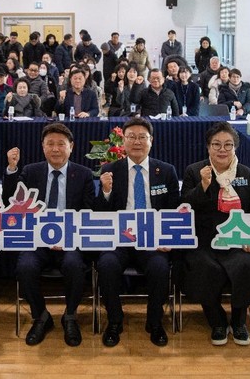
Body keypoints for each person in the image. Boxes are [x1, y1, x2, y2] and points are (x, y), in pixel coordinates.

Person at [2, 123, 95, 346]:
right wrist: (12, 169)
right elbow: (11, 202)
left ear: (71, 147)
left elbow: (89, 212)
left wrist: (68, 235)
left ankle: (70, 315)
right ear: (43, 147)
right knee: (25, 267)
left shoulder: (83, 174)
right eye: (50, 144)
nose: (55, 149)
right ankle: (41, 316)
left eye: (61, 144)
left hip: (69, 240)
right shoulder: (31, 172)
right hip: (37, 240)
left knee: (74, 265)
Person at [95, 117, 180, 347]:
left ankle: (155, 322)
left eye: (142, 137)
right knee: (106, 265)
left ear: (151, 141)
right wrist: (105, 192)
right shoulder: (110, 170)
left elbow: (174, 210)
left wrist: (168, 239)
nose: (137, 142)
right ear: (123, 141)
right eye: (131, 137)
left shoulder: (166, 171)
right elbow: (99, 213)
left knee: (160, 267)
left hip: (152, 239)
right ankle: (115, 321)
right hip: (119, 239)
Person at [181, 122, 250, 346]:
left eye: (228, 144)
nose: (222, 149)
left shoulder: (245, 173)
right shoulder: (195, 171)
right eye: (216, 144)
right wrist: (203, 185)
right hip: (204, 240)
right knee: (204, 267)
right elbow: (184, 206)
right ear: (208, 147)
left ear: (235, 147)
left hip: (238, 239)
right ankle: (217, 321)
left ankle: (239, 322)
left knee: (245, 265)